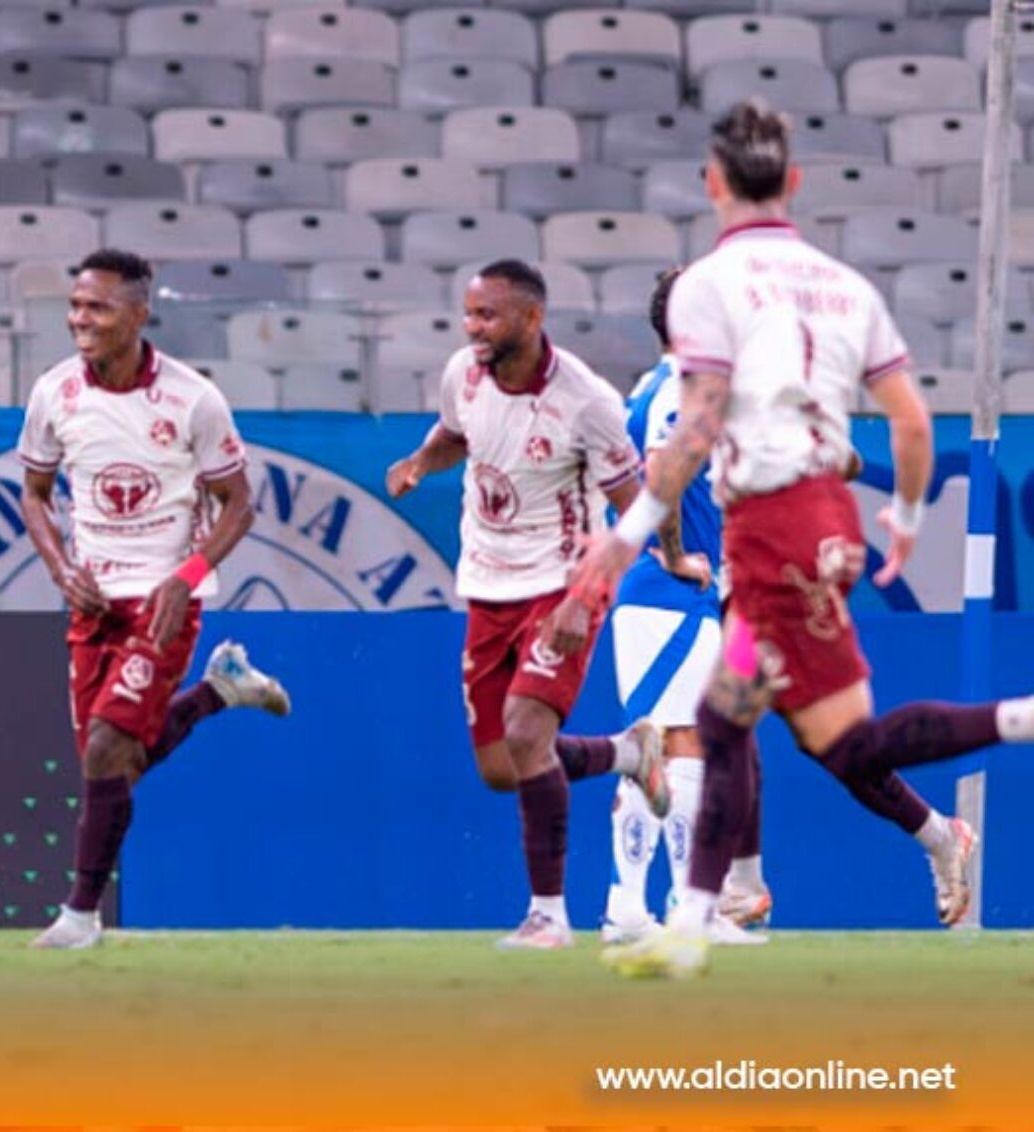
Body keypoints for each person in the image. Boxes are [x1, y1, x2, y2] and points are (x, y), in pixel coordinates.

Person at [576, 98, 1031, 978]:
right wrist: (901, 517)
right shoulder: (842, 285)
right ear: (794, 182)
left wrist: (627, 535)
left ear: (713, 186)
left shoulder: (711, 288)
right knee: (754, 724)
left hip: (770, 529)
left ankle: (703, 919)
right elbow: (906, 423)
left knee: (795, 733)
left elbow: (695, 428)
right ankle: (719, 910)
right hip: (816, 522)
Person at [385, 259, 670, 951]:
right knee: (501, 768)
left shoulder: (587, 400)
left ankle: (549, 916)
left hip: (561, 584)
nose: (473, 328)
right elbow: (456, 432)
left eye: (488, 316)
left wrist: (588, 594)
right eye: (470, 314)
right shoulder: (464, 372)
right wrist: (421, 462)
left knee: (523, 730)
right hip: (487, 586)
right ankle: (627, 754)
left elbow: (637, 508)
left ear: (533, 318)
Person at [18, 248, 292, 950]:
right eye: (76, 306)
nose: (81, 320)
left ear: (139, 315)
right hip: (92, 601)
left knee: (108, 750)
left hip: (166, 598)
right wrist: (58, 566)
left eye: (98, 308)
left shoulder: (193, 398)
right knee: (111, 763)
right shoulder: (54, 392)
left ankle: (80, 917)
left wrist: (188, 573)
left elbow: (238, 505)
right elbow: (35, 494)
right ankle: (219, 694)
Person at [601, 269, 769, 946]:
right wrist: (672, 553)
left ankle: (633, 911)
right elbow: (662, 475)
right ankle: (680, 912)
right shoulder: (680, 393)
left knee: (657, 749)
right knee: (680, 747)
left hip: (664, 598)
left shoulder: (649, 386)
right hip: (669, 591)